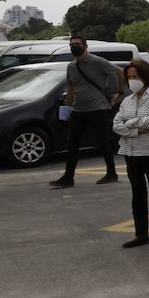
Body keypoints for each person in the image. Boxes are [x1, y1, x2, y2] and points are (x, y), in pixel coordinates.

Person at [112, 60, 149, 249]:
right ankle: (141, 234)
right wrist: (136, 128)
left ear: (145, 77)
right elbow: (116, 125)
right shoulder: (127, 100)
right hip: (131, 152)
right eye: (129, 77)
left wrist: (130, 123)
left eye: (135, 77)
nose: (132, 81)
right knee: (137, 194)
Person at [50, 35, 121, 188]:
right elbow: (71, 87)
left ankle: (111, 173)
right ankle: (68, 177)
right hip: (78, 109)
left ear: (85, 46)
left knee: (102, 141)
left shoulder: (97, 62)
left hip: (98, 108)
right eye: (72, 44)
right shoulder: (71, 66)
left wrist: (120, 93)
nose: (74, 46)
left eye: (77, 44)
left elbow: (119, 72)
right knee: (72, 144)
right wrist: (67, 108)